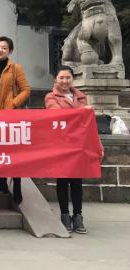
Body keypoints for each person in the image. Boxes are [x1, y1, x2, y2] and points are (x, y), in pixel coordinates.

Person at [0, 36, 31, 204]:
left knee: (12, 152)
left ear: (10, 51)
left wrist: (13, 104)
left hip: (9, 116)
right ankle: (0, 183)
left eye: (4, 47)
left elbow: (26, 90)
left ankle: (17, 185)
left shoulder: (16, 68)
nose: (0, 50)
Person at [45, 65, 93, 234]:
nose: (64, 81)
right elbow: (57, 113)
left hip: (79, 144)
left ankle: (78, 215)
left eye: (68, 78)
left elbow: (88, 123)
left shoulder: (81, 96)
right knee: (63, 180)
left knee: (77, 181)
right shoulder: (51, 96)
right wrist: (82, 111)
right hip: (61, 144)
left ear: (73, 79)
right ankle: (65, 214)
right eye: (61, 78)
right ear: (55, 79)